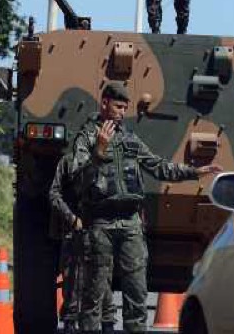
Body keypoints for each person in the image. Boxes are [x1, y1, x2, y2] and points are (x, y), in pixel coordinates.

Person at [74, 82, 221, 333]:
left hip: (131, 223)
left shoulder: (129, 139)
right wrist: (98, 151)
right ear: (104, 103)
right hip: (100, 224)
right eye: (118, 106)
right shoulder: (87, 137)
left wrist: (195, 172)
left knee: (136, 293)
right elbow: (77, 180)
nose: (121, 112)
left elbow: (159, 167)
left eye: (125, 108)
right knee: (93, 295)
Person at [50, 152, 116, 334]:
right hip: (75, 228)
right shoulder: (69, 161)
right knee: (72, 276)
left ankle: (107, 320)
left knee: (102, 276)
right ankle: (71, 320)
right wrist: (71, 219)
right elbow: (54, 194)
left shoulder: (112, 160)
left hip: (101, 228)